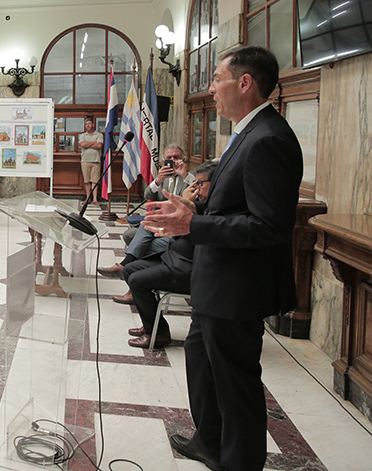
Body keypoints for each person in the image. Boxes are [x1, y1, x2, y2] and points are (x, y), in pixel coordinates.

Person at [144, 46, 303, 471]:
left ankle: (237, 461)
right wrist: (194, 212)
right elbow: (237, 209)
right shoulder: (245, 132)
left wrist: (193, 227)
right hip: (218, 281)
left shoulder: (268, 138)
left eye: (217, 78)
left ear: (245, 82)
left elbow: (269, 226)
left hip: (238, 287)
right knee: (201, 360)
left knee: (236, 386)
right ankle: (209, 440)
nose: (211, 88)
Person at [124, 160, 216, 349]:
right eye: (195, 183)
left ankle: (157, 334)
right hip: (171, 259)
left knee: (137, 281)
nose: (196, 188)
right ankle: (154, 323)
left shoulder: (214, 208)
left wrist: (187, 203)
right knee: (129, 269)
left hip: (187, 270)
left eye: (200, 184)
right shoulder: (198, 203)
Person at [99, 143, 195, 281]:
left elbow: (197, 193)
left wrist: (184, 174)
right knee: (130, 234)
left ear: (183, 159)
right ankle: (132, 275)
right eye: (169, 157)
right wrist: (158, 180)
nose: (173, 160)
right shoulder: (163, 177)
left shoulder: (189, 177)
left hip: (176, 228)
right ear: (164, 160)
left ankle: (128, 271)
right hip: (159, 224)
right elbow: (148, 196)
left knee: (141, 241)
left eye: (176, 157)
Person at [79, 118, 103, 201]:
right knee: (86, 181)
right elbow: (82, 144)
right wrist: (94, 142)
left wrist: (88, 144)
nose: (88, 125)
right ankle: (88, 198)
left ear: (93, 125)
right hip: (85, 161)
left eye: (89, 123)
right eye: (86, 124)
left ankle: (95, 199)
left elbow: (99, 146)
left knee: (95, 181)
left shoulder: (99, 135)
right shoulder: (82, 135)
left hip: (96, 161)